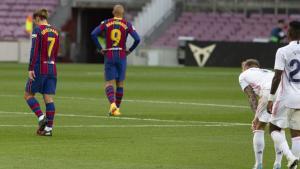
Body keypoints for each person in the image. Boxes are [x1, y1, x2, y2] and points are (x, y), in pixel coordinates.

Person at [91, 4, 140, 116]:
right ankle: (116, 108)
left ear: (113, 12)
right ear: (122, 13)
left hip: (110, 53)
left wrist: (100, 48)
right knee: (120, 84)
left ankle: (112, 105)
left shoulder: (107, 22)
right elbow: (137, 39)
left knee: (109, 83)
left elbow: (93, 34)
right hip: (122, 54)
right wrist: (130, 50)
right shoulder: (127, 24)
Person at [239, 59, 283, 169]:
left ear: (246, 67)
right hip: (284, 91)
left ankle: (258, 164)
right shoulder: (267, 72)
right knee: (278, 128)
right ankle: (278, 164)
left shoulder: (243, 75)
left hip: (268, 91)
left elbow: (252, 97)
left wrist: (256, 117)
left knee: (259, 127)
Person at [267, 21, 300, 169]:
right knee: (297, 134)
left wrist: (270, 98)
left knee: (273, 128)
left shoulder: (282, 51)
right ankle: (295, 165)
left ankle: (290, 157)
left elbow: (277, 76)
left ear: (289, 34)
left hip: (287, 97)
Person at [24, 9, 59, 136]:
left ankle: (41, 117)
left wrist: (30, 68)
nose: (34, 22)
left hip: (39, 68)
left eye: (34, 20)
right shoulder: (55, 31)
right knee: (48, 99)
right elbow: (56, 52)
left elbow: (34, 50)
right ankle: (48, 129)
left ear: (38, 17)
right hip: (52, 67)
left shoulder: (38, 30)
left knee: (28, 95)